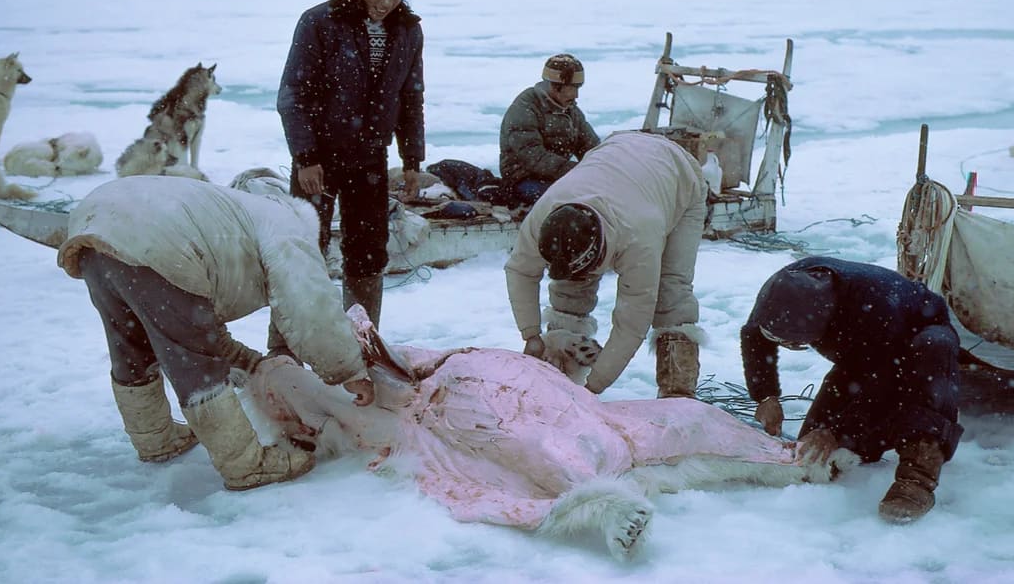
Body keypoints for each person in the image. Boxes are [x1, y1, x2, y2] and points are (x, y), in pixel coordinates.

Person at [249, 309, 850, 562]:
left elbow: (393, 348)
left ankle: (791, 460)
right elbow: (307, 393)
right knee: (541, 455)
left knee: (681, 417)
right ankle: (602, 507)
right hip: (460, 422)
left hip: (538, 397)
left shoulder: (410, 356)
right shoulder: (363, 410)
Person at [56, 175, 377, 491]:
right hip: (155, 236)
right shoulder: (291, 231)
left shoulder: (237, 215)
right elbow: (311, 307)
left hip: (96, 227)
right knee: (196, 365)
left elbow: (198, 328)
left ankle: (155, 440)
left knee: (131, 344)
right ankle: (246, 465)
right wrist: (348, 369)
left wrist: (254, 365)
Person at [739, 256, 964, 523]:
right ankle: (869, 440)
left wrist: (837, 431)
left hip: (915, 336)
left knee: (931, 355)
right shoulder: (780, 289)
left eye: (794, 342)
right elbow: (754, 336)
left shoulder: (874, 304)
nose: (786, 345)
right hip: (861, 352)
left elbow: (885, 378)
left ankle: (917, 478)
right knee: (811, 450)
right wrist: (766, 396)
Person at [277, 0, 425, 329]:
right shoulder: (320, 22)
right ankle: (288, 343)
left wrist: (412, 161)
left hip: (370, 158)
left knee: (368, 253)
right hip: (320, 157)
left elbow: (411, 99)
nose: (387, 2)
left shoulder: (408, 31)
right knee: (305, 250)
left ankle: (361, 337)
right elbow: (293, 95)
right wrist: (306, 157)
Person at [505, 130, 708, 398]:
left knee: (671, 293)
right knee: (569, 288)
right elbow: (520, 270)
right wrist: (531, 334)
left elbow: (632, 323)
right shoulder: (545, 217)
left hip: (679, 175)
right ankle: (558, 379)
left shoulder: (639, 238)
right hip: (616, 153)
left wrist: (594, 388)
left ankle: (677, 393)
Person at [498, 53, 600, 208]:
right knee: (568, 199)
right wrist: (576, 171)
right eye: (572, 88)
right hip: (523, 180)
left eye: (578, 88)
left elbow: (590, 146)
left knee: (598, 194)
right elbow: (534, 157)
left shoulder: (570, 110)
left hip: (558, 176)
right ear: (554, 86)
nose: (576, 95)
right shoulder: (524, 109)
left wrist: (602, 165)